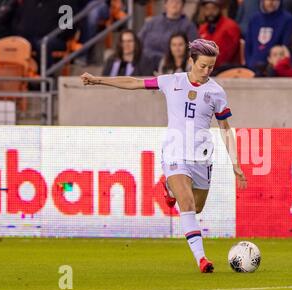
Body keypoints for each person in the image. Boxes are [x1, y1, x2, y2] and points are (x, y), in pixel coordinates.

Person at [81, 39, 247, 273]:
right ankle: (202, 259)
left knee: (196, 207)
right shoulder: (172, 81)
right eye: (203, 66)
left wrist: (235, 162)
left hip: (201, 157)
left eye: (211, 67)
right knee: (187, 204)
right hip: (174, 153)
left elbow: (225, 128)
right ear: (191, 61)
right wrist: (99, 80)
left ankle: (168, 189)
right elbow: (134, 82)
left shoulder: (216, 92)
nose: (207, 71)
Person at [137, 0, 198, 69]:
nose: (174, 4)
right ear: (165, 5)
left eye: (178, 2)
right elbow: (137, 42)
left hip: (172, 67)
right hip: (145, 65)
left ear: (182, 6)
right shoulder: (151, 23)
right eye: (171, 1)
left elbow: (194, 50)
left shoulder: (189, 26)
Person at [245, 0, 292, 71]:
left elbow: (285, 48)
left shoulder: (287, 19)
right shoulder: (254, 19)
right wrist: (249, 64)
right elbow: (248, 46)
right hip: (252, 68)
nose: (270, 2)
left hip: (275, 69)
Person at [198, 0, 241, 69]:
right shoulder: (202, 29)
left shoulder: (230, 26)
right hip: (207, 69)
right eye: (207, 9)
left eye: (213, 8)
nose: (210, 12)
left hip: (228, 70)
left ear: (219, 9)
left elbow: (227, 55)